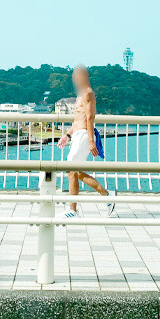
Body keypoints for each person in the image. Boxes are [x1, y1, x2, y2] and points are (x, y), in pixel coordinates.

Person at [58, 65, 116, 217]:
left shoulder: (88, 93)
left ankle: (73, 210)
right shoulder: (81, 95)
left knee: (71, 170)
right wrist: (67, 135)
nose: (75, 79)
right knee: (74, 172)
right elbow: (78, 120)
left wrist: (91, 141)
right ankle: (107, 195)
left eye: (78, 76)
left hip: (84, 135)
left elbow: (90, 118)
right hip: (78, 135)